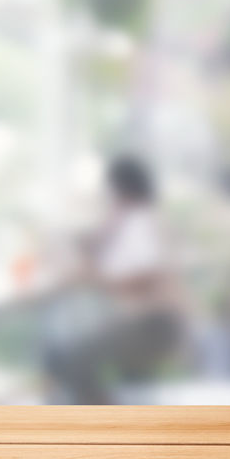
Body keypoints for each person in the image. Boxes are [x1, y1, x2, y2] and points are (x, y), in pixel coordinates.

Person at [42, 156, 181, 403]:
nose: (106, 198)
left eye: (109, 190)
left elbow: (143, 278)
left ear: (120, 190)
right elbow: (94, 252)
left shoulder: (140, 220)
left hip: (153, 324)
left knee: (74, 353)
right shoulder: (125, 221)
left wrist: (94, 278)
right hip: (141, 321)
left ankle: (101, 418)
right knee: (72, 346)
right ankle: (105, 413)